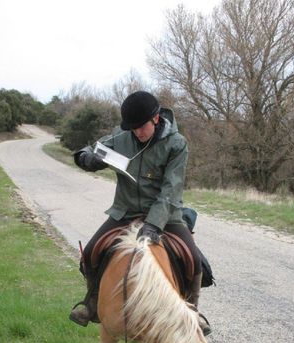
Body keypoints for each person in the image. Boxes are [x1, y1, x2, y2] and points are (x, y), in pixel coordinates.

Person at [70, 90, 206, 330]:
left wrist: (154, 224)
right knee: (90, 252)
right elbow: (92, 149)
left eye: (141, 127)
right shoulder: (122, 137)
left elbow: (171, 189)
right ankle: (91, 302)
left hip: (165, 216)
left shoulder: (177, 144)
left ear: (155, 118)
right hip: (126, 212)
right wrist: (85, 158)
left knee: (194, 260)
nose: (137, 133)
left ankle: (192, 312)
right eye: (132, 128)